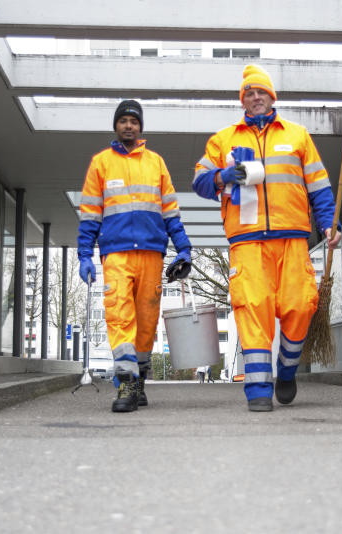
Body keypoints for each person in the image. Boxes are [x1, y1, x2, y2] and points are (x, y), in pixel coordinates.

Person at [192, 65, 342, 412]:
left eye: (261, 92)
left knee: (302, 305)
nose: (255, 97)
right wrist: (221, 176)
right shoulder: (224, 139)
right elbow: (199, 181)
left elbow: (318, 187)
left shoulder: (298, 135)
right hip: (247, 242)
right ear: (242, 100)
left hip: (292, 238)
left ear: (272, 97)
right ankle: (258, 389)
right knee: (252, 308)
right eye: (249, 93)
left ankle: (286, 369)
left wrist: (329, 224)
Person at [79, 99, 192, 413]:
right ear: (116, 125)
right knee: (120, 316)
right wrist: (85, 254)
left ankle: (139, 381)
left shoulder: (156, 163)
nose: (128, 125)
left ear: (140, 126)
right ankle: (126, 383)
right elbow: (90, 213)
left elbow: (170, 212)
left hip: (152, 255)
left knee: (145, 323)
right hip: (116, 255)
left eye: (133, 121)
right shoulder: (101, 163)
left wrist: (183, 247)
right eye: (123, 120)